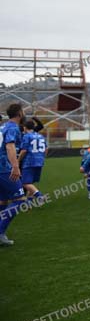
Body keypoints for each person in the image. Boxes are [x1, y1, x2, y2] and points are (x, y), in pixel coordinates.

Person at [0, 104, 27, 246]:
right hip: (5, 168)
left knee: (3, 201)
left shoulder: (3, 126)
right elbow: (9, 146)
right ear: (19, 113)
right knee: (20, 199)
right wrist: (15, 167)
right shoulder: (12, 127)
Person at [18, 118, 48, 202]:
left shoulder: (26, 136)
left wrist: (18, 160)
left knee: (25, 183)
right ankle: (29, 201)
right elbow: (46, 149)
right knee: (30, 182)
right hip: (39, 162)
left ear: (25, 127)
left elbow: (24, 151)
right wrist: (42, 157)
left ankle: (40, 196)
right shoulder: (40, 136)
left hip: (29, 162)